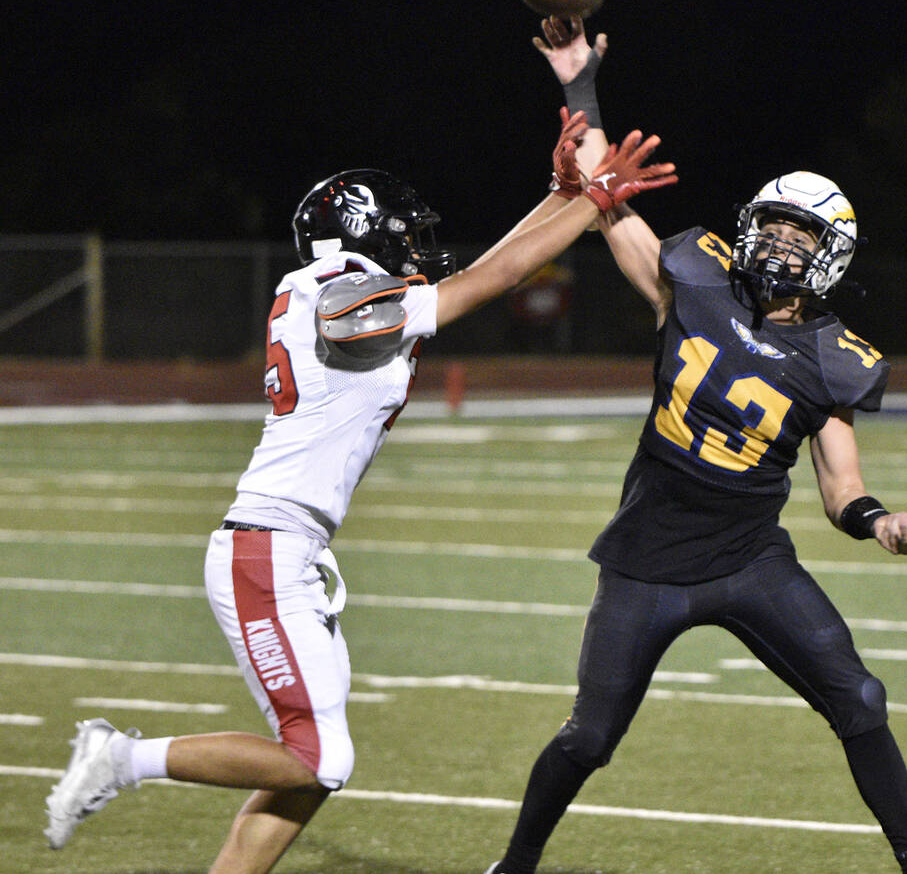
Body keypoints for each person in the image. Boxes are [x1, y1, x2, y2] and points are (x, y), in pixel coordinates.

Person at [43, 107, 677, 874]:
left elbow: (488, 267)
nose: (414, 246)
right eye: (402, 231)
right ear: (363, 232)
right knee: (319, 758)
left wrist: (562, 193)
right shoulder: (335, 285)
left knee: (308, 772)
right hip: (266, 551)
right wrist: (591, 204)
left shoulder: (338, 284)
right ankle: (121, 757)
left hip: (287, 551)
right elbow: (489, 280)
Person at [483, 20, 907, 874]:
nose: (776, 244)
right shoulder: (691, 280)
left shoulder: (837, 361)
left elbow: (841, 488)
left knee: (863, 700)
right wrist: (580, 85)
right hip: (647, 561)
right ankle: (512, 868)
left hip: (748, 561)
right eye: (770, 226)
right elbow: (602, 193)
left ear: (831, 257)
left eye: (798, 236)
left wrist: (880, 521)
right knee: (588, 738)